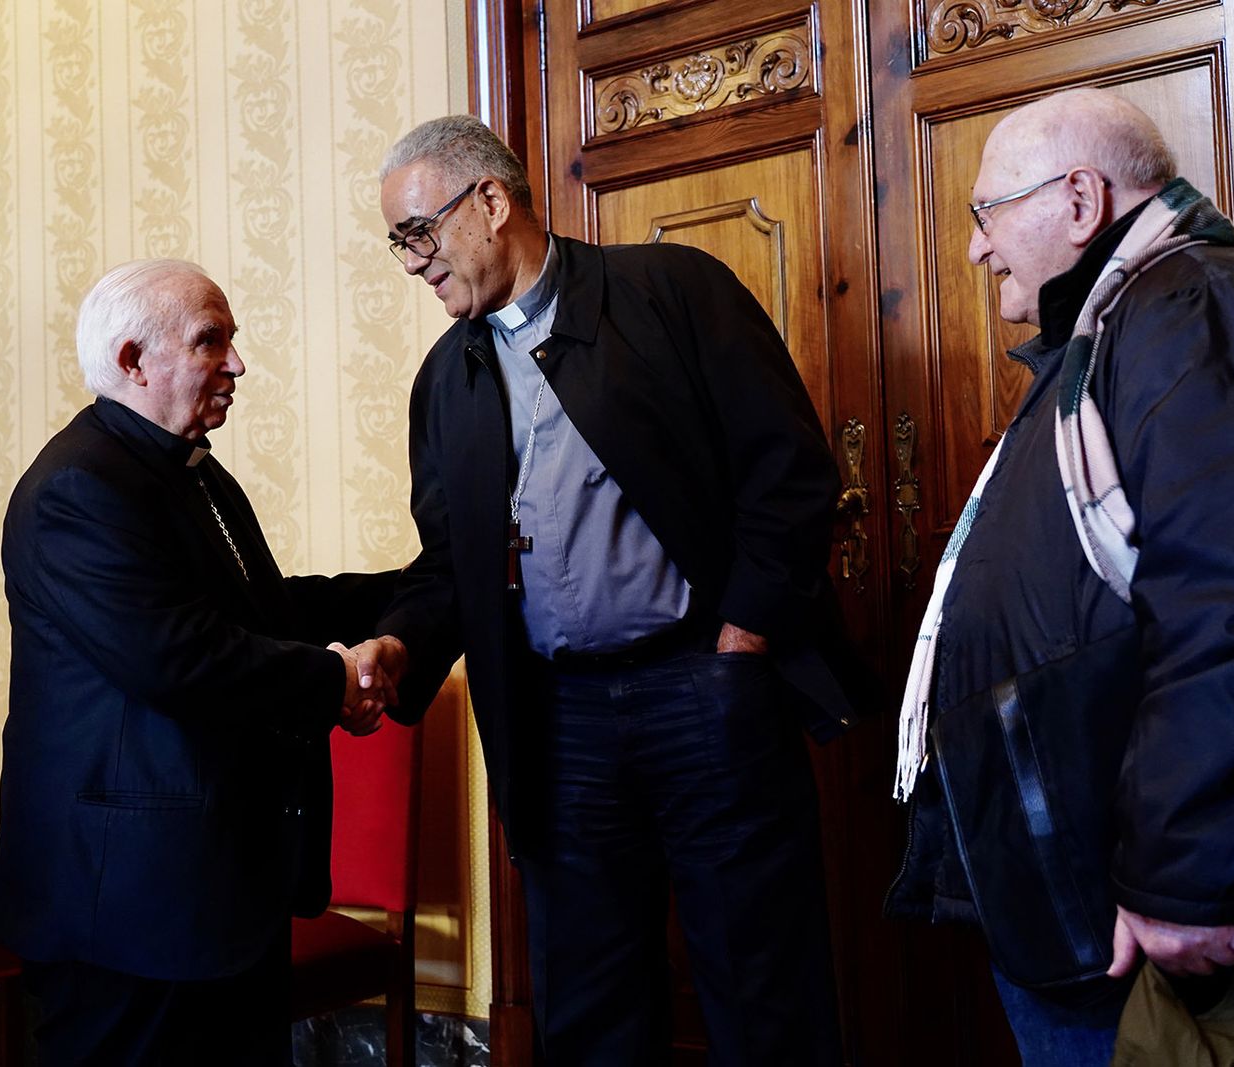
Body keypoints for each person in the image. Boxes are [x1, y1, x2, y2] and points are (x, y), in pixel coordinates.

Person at [884, 88, 1234, 1064]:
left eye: (987, 213)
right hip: (1082, 895)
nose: (978, 246)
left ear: (1078, 200)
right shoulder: (1125, 324)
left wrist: (1178, 881)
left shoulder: (1196, 309)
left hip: (1140, 915)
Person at [361, 115, 864, 1066]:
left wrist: (743, 642)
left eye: (418, 231)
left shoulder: (671, 292)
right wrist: (399, 640)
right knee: (588, 1007)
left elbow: (790, 473)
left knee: (764, 991)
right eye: (401, 242)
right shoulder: (445, 379)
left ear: (492, 202)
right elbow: (448, 565)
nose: (413, 261)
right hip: (558, 724)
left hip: (703, 693)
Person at [0, 259, 397, 1065]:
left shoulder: (189, 471)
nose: (238, 363)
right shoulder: (79, 486)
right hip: (129, 911)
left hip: (210, 894)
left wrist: (417, 586)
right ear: (134, 360)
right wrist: (337, 680)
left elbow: (268, 608)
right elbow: (179, 657)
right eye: (213, 340)